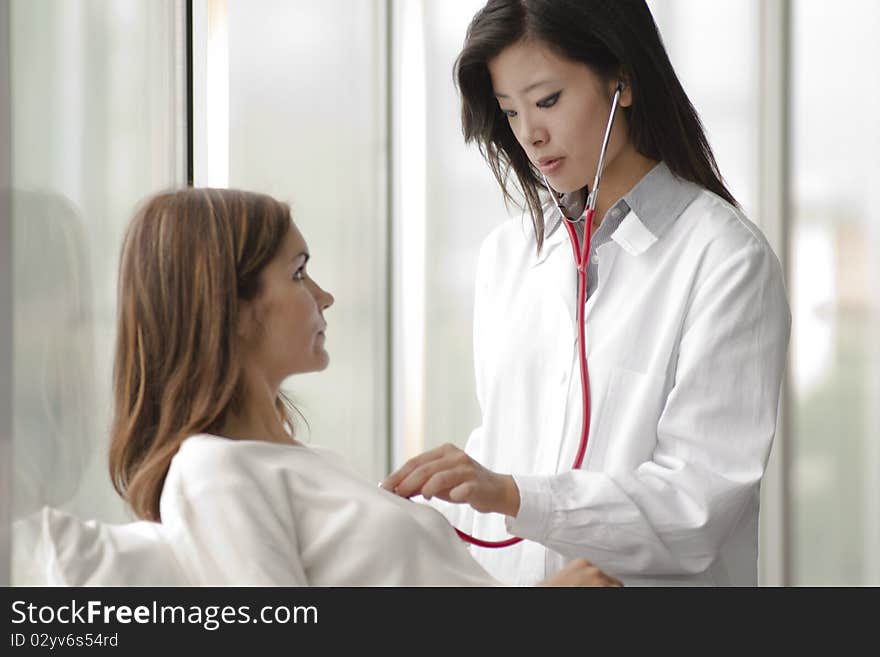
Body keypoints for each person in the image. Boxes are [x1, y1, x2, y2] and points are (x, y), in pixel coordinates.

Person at [382, 0, 791, 586]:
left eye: (547, 100)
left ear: (620, 80)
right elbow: (511, 440)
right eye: (510, 111)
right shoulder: (508, 254)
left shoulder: (726, 260)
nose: (531, 134)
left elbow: (696, 505)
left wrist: (512, 493)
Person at [107, 187, 621, 587]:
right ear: (230, 307)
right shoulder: (212, 473)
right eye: (298, 273)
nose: (324, 296)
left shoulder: (312, 464)